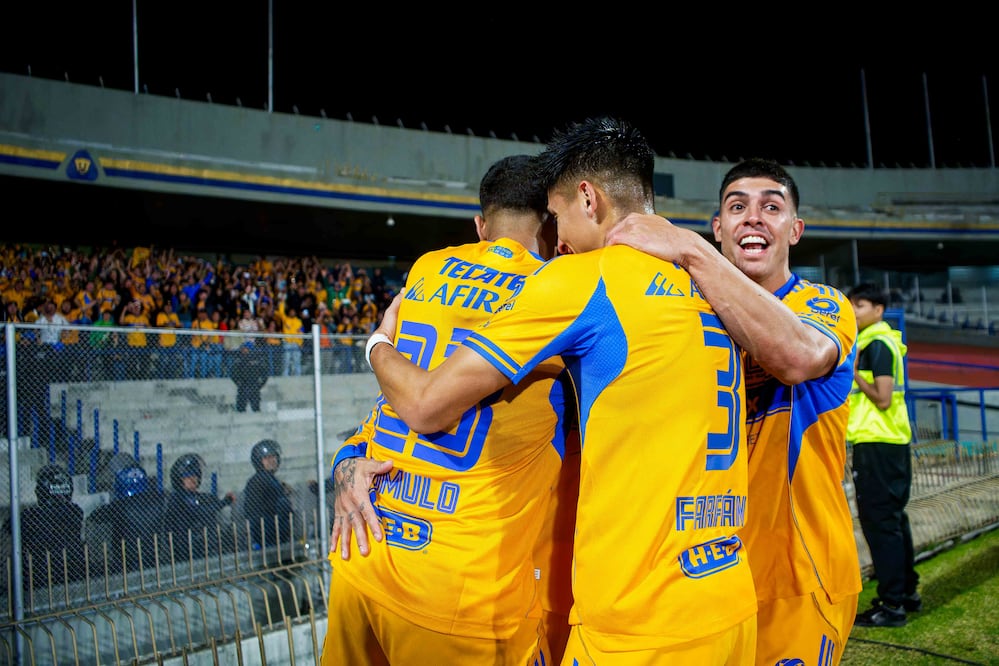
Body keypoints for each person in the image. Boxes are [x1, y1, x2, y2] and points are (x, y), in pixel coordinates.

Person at [364, 118, 756, 664]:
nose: (558, 237)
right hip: (729, 593)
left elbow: (428, 402)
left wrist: (380, 342)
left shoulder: (580, 278)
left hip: (637, 614)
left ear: (588, 198)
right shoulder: (721, 282)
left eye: (558, 214)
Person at [606, 157, 861, 663]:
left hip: (796, 577)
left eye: (772, 207)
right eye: (737, 206)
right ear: (720, 227)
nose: (753, 218)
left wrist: (691, 251)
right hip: (704, 579)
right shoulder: (682, 315)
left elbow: (798, 357)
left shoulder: (823, 305)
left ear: (795, 229)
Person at [322, 154, 574, 665]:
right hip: (462, 592)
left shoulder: (427, 267)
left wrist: (346, 457)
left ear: (480, 225)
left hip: (365, 554)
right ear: (552, 223)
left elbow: (392, 394)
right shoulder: (559, 292)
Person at [847, 282, 919, 627]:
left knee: (880, 524)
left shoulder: (875, 344)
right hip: (892, 441)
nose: (854, 311)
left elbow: (883, 396)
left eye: (860, 305)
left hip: (877, 443)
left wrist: (853, 374)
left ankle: (891, 605)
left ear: (878, 309)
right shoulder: (885, 341)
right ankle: (907, 593)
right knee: (894, 520)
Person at [3, 464, 87, 587]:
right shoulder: (75, 512)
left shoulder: (28, 515)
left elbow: (6, 533)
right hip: (72, 574)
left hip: (39, 579)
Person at [86, 461, 167, 573]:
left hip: (126, 562)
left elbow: (95, 516)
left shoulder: (120, 505)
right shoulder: (157, 500)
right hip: (152, 558)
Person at [164, 453, 237, 560]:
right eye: (187, 477)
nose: (193, 479)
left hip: (203, 547)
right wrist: (224, 502)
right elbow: (199, 511)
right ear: (179, 479)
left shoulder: (199, 497)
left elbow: (205, 503)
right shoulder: (178, 497)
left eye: (195, 475)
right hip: (185, 549)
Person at [241, 439, 294, 551]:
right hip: (267, 535)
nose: (271, 460)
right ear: (259, 461)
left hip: (275, 533)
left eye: (273, 456)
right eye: (266, 458)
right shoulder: (259, 480)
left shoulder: (269, 479)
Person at [231, 341, 268, 412]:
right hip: (243, 384)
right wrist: (239, 383)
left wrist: (260, 384)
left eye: (245, 348)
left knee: (256, 406)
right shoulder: (239, 359)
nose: (243, 350)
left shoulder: (258, 359)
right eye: (242, 348)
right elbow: (233, 373)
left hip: (254, 384)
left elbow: (265, 373)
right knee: (241, 406)